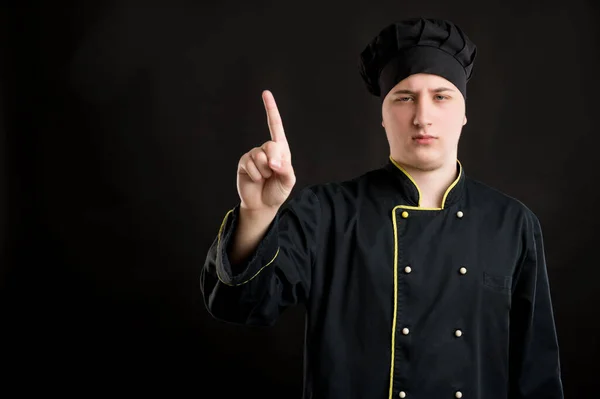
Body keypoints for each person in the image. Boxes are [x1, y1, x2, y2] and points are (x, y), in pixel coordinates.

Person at [200, 17, 564, 399]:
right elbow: (238, 305)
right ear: (383, 115)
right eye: (404, 97)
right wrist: (256, 213)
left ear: (464, 113)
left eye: (441, 96)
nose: (422, 116)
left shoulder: (512, 224)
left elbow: (536, 374)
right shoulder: (327, 213)